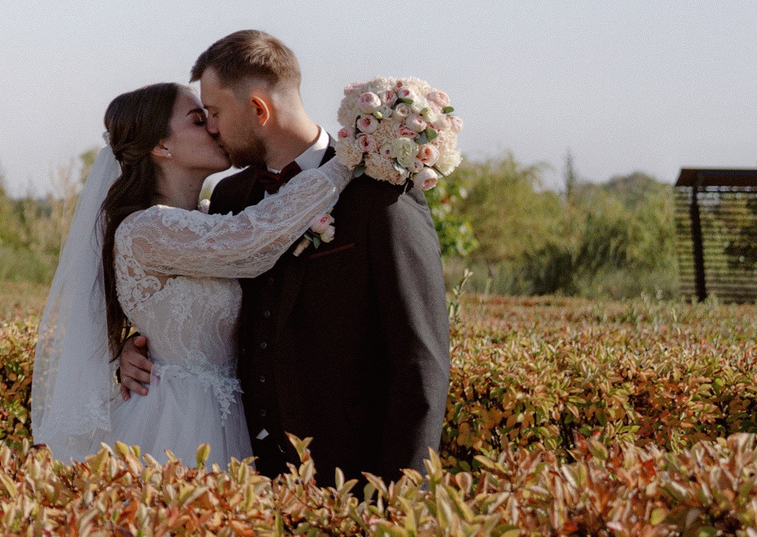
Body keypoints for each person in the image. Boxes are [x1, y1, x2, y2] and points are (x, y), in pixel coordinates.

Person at [159, 29, 448, 484]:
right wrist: (145, 347)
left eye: (214, 112)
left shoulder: (379, 192)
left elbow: (421, 364)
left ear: (258, 110)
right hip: (245, 476)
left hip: (354, 481)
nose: (211, 127)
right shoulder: (231, 197)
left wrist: (398, 502)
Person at [32, 78, 353, 467]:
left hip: (235, 412)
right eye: (198, 120)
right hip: (178, 420)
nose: (214, 128)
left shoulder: (206, 217)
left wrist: (136, 345)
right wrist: (349, 160)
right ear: (161, 146)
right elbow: (248, 239)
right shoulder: (146, 229)